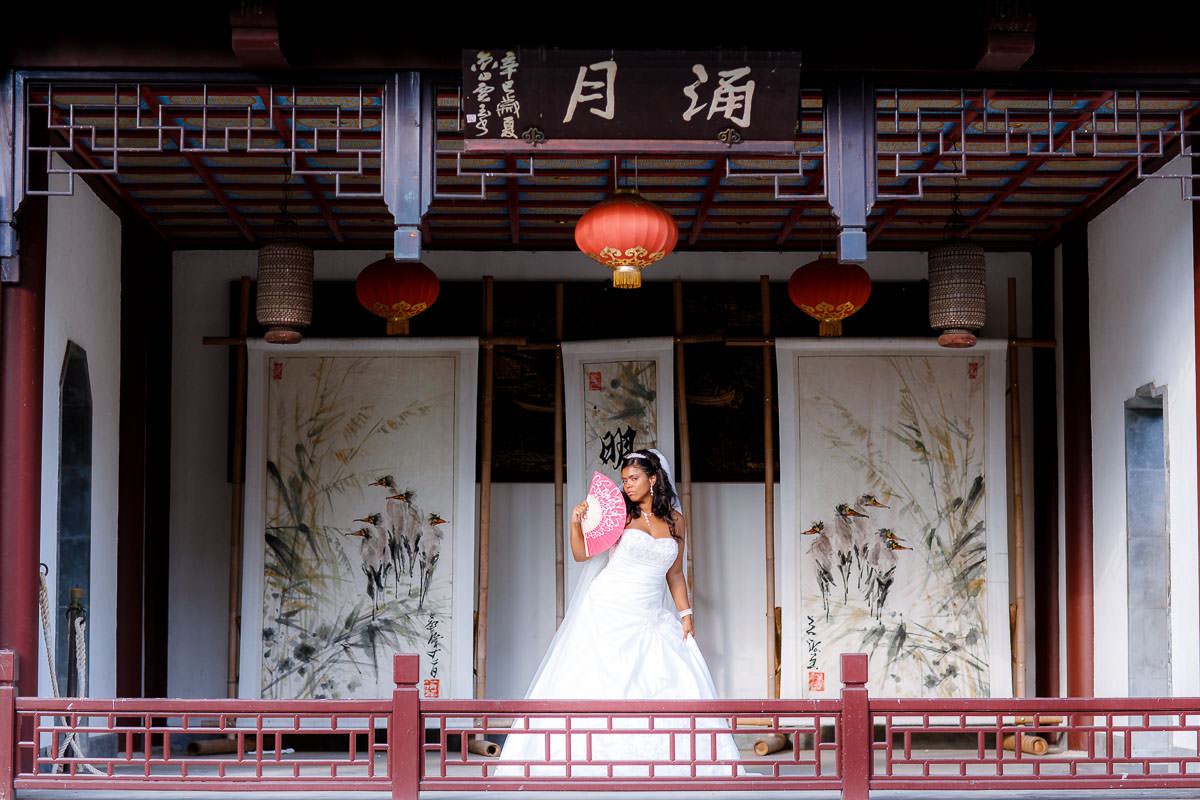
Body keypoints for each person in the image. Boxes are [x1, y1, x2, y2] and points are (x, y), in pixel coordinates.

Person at [494, 448, 740, 778]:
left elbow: (676, 573)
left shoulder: (676, 520)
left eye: (634, 479)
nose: (628, 486)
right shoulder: (619, 514)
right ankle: (586, 761)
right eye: (624, 480)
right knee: (601, 680)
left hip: (651, 614)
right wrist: (575, 523)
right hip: (607, 607)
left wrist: (686, 614)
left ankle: (659, 763)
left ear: (653, 479)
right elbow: (582, 555)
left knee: (661, 680)